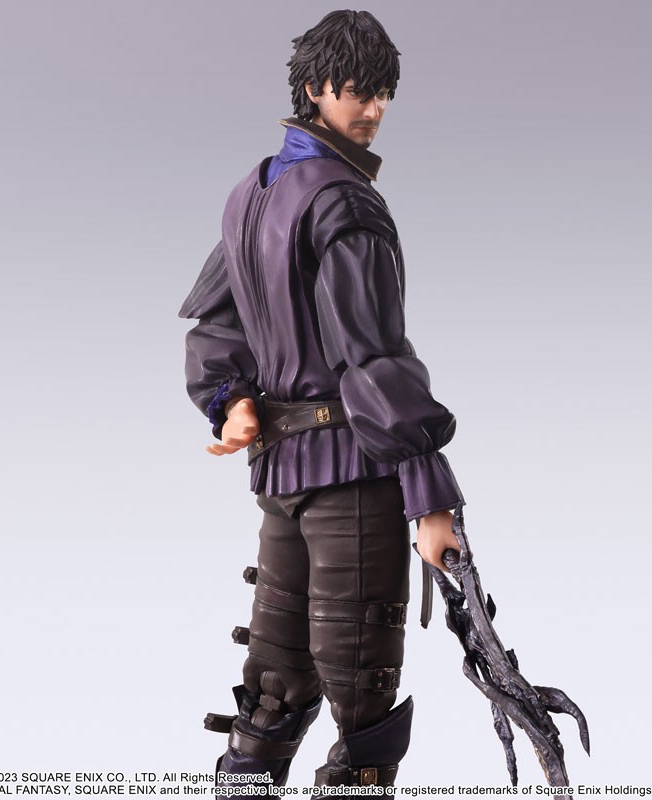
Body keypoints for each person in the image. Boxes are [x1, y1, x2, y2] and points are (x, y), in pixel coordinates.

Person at [180, 10, 463, 793]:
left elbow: (215, 327)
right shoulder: (343, 201)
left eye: (382, 94)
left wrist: (232, 400)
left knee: (273, 692)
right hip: (350, 481)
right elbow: (373, 355)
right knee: (355, 707)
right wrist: (431, 498)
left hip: (284, 478)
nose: (372, 109)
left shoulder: (253, 193)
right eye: (355, 91)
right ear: (313, 89)